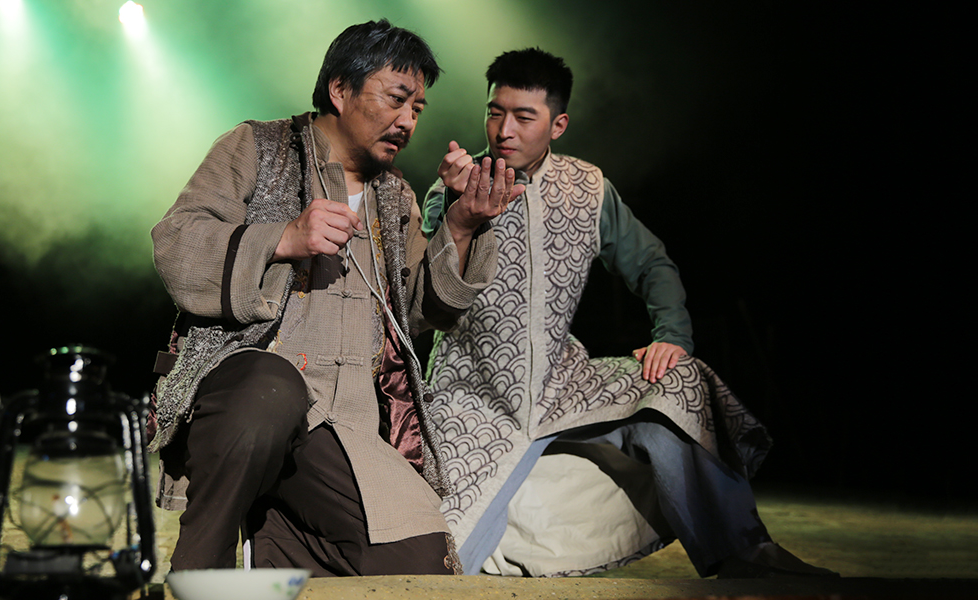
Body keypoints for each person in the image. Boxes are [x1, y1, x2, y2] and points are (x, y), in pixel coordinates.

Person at [422, 48, 836, 579]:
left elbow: (651, 263)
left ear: (558, 124)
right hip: (469, 395)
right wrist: (452, 210)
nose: (504, 130)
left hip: (560, 383)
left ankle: (742, 550)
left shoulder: (588, 188)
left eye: (523, 116)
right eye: (495, 112)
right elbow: (421, 292)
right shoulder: (455, 187)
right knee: (449, 554)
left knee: (678, 381)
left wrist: (673, 336)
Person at [147, 20, 522, 577]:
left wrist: (463, 226)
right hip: (248, 391)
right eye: (396, 98)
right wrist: (282, 238)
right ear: (340, 89)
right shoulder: (257, 147)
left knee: (425, 562)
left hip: (343, 423)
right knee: (270, 393)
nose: (408, 121)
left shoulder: (393, 197)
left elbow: (422, 311)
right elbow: (176, 243)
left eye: (418, 107)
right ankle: (200, 567)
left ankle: (278, 537)